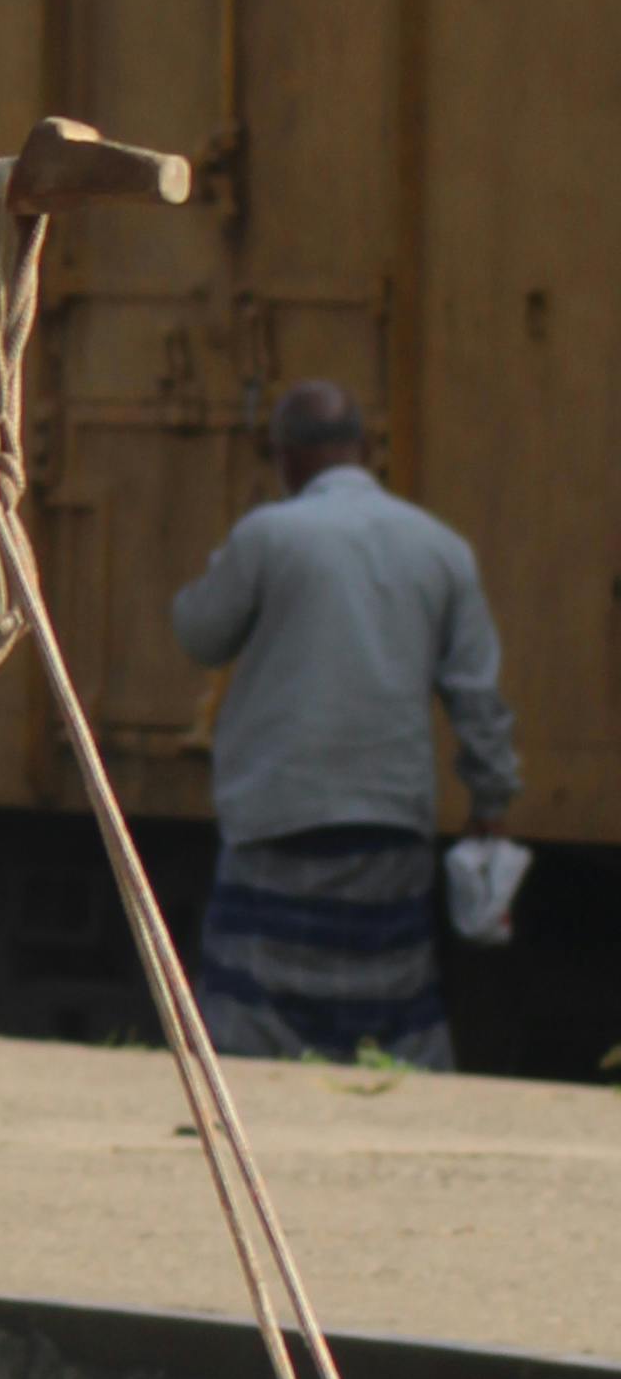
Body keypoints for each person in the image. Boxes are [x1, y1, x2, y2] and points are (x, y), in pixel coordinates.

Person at [175, 384, 517, 1071]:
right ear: (365, 450)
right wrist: (490, 803)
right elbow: (476, 694)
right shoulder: (441, 548)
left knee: (251, 1018)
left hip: (277, 815)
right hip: (389, 821)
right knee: (391, 1010)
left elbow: (199, 632)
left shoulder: (268, 535)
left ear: (288, 459)